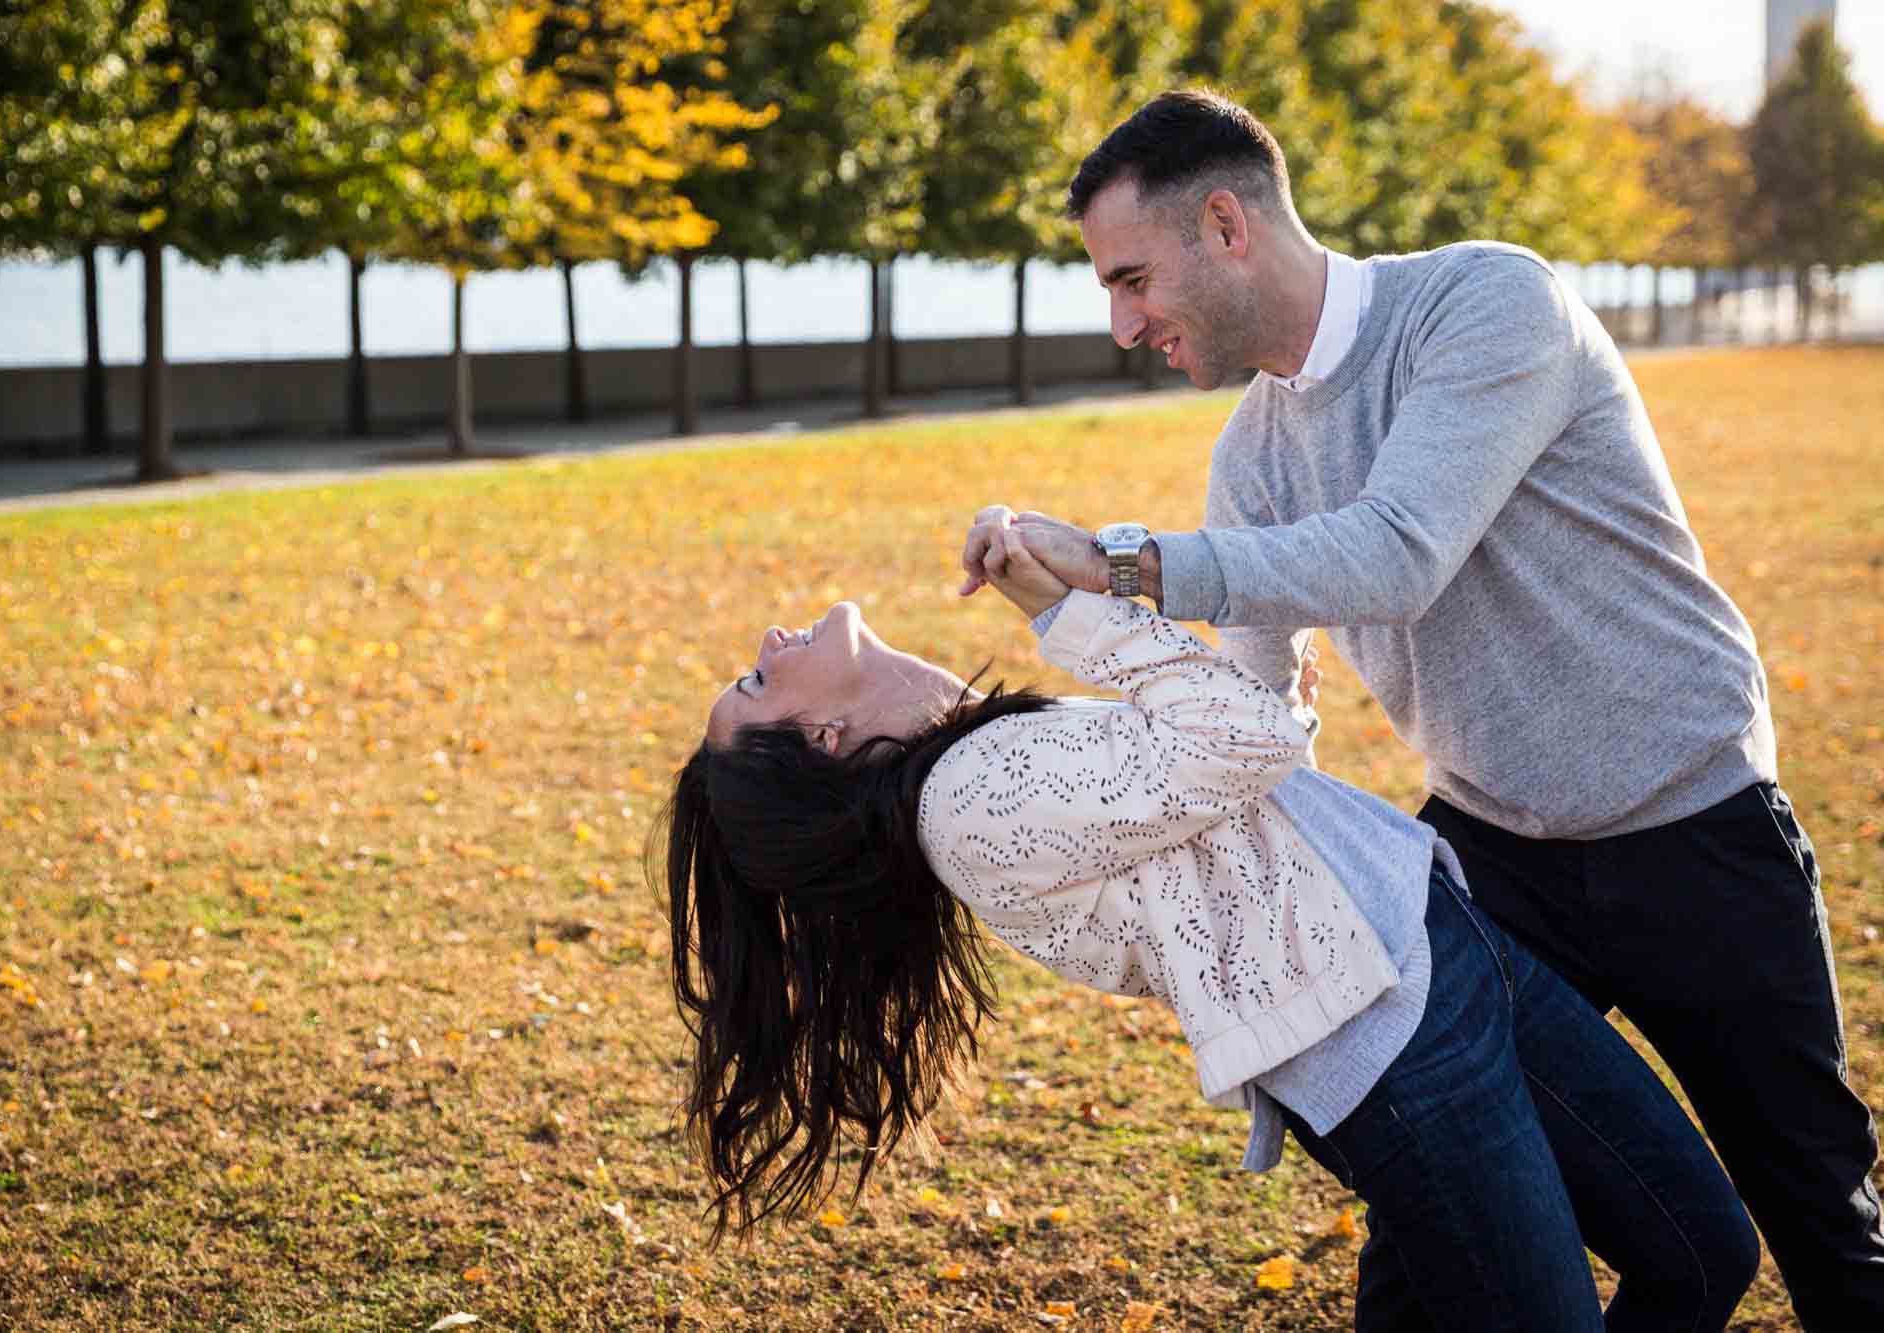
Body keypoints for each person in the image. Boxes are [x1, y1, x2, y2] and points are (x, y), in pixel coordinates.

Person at [958, 88, 1884, 1327]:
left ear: (1225, 225)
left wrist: (1122, 559)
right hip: (1491, 856)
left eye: (1132, 279)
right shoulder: (1253, 456)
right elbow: (1241, 715)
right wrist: (1059, 614)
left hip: (1696, 832)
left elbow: (1397, 552)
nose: (1124, 324)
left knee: (1818, 1219)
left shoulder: (1486, 301)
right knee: (1426, 1245)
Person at [661, 524, 1757, 1331]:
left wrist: (1276, 716)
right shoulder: (968, 799)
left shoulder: (973, 768)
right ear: (826, 736)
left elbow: (1216, 809)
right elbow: (1231, 748)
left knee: (1700, 1254)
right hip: (1393, 1049)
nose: (766, 638)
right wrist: (1067, 608)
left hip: (1436, 954)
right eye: (756, 680)